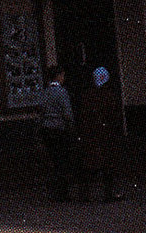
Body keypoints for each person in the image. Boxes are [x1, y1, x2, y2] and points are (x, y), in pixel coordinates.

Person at [75, 63, 123, 201]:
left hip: (90, 132)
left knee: (91, 162)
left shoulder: (87, 95)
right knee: (107, 163)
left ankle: (85, 194)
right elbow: (113, 114)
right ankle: (108, 193)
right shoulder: (108, 95)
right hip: (105, 132)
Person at [38, 65, 75, 200]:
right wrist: (71, 127)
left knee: (53, 160)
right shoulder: (62, 92)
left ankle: (53, 192)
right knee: (62, 160)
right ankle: (63, 192)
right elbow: (67, 113)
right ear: (59, 76)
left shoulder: (45, 92)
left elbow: (41, 112)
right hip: (59, 129)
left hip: (47, 129)